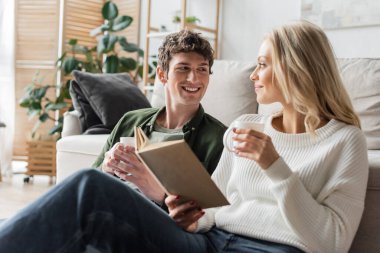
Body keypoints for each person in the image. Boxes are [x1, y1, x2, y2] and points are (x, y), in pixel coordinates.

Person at [0, 21, 368, 253]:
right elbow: (216, 208)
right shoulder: (248, 125)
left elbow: (331, 242)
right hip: (207, 241)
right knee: (87, 186)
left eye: (262, 63)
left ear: (295, 68)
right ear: (163, 75)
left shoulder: (344, 141)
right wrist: (191, 217)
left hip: (269, 248)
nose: (252, 75)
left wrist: (274, 166)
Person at [92, 29, 226, 205]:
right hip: (108, 207)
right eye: (183, 68)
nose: (194, 78)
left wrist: (160, 194)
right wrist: (105, 167)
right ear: (162, 75)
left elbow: (212, 214)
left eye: (202, 69)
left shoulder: (220, 139)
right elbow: (91, 181)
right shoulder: (130, 120)